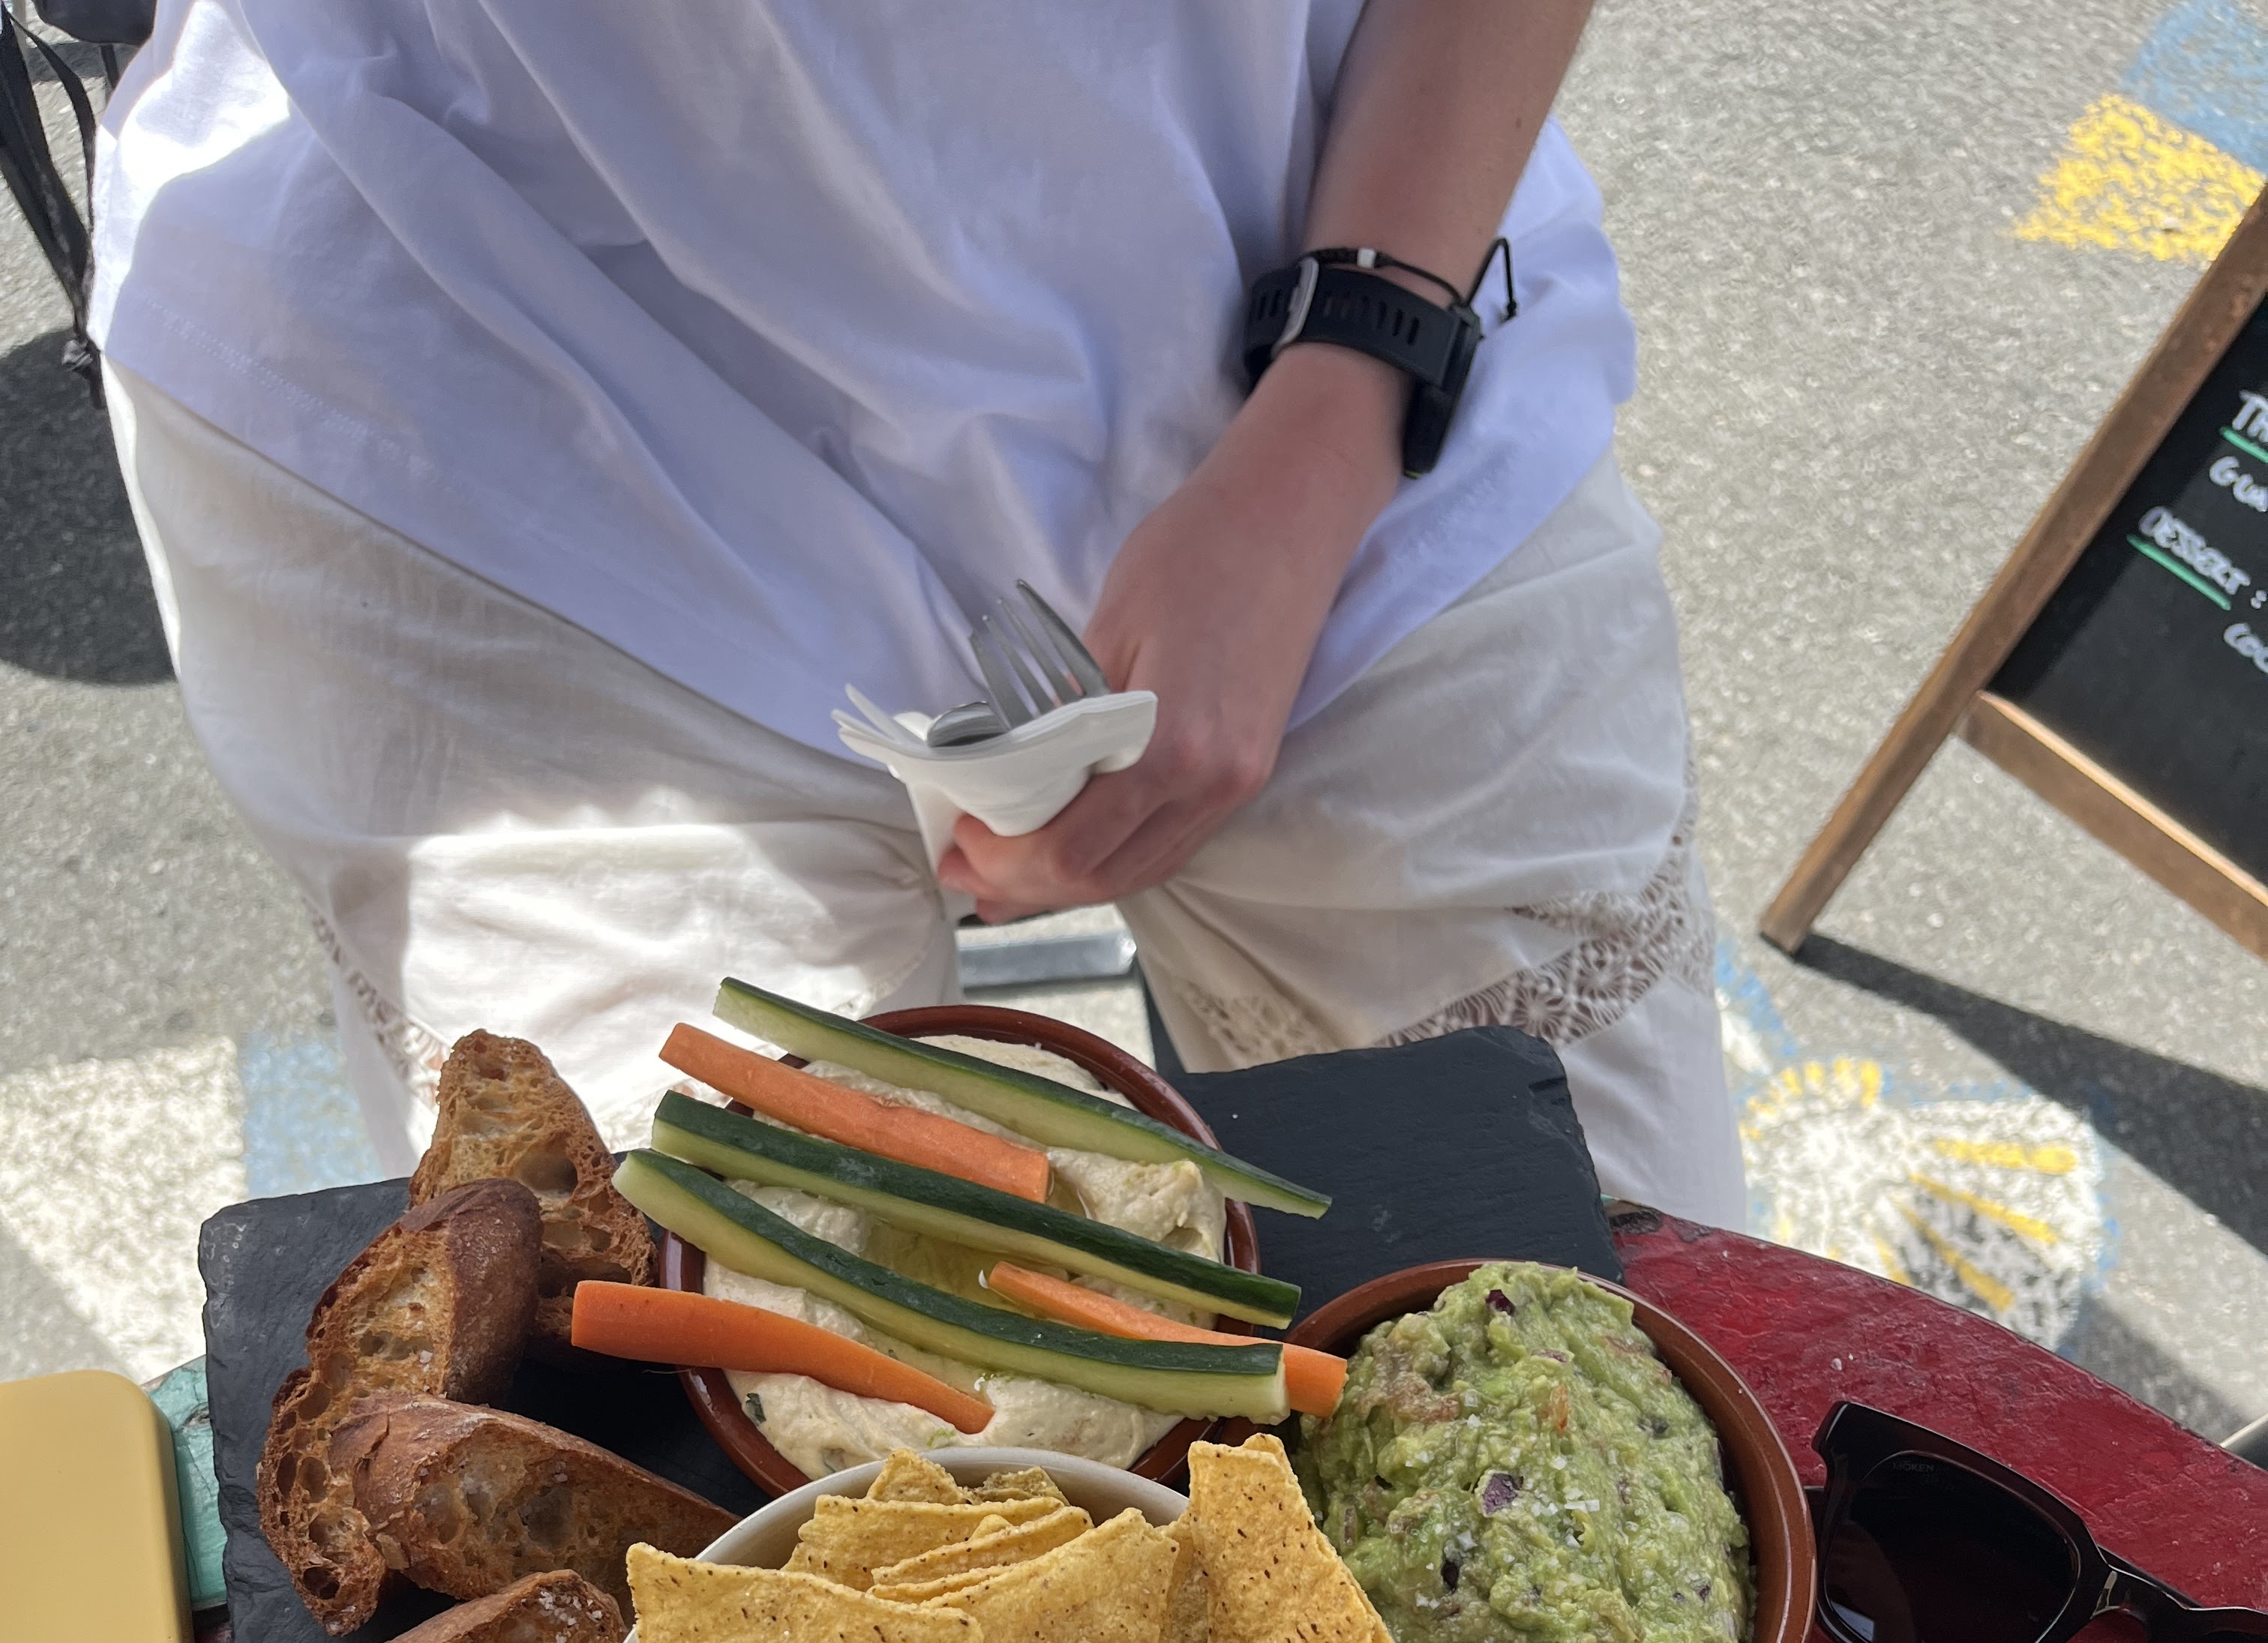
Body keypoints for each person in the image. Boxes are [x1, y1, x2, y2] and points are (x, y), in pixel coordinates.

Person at [91, 0, 1745, 1223]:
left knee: (1601, 1344)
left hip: (1324, 244)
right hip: (484, 379)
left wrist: (1344, 400)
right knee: (694, 1426)